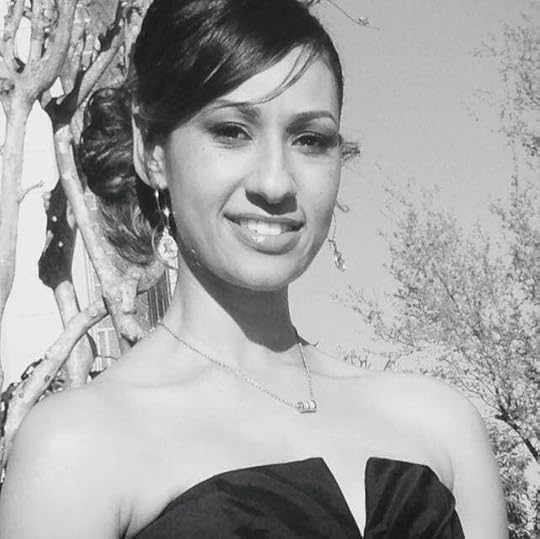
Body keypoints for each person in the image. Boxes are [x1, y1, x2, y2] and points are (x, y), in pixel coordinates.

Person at [0, 0, 508, 537]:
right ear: (152, 151)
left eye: (309, 140)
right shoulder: (78, 448)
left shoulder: (442, 426)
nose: (275, 183)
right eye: (231, 131)